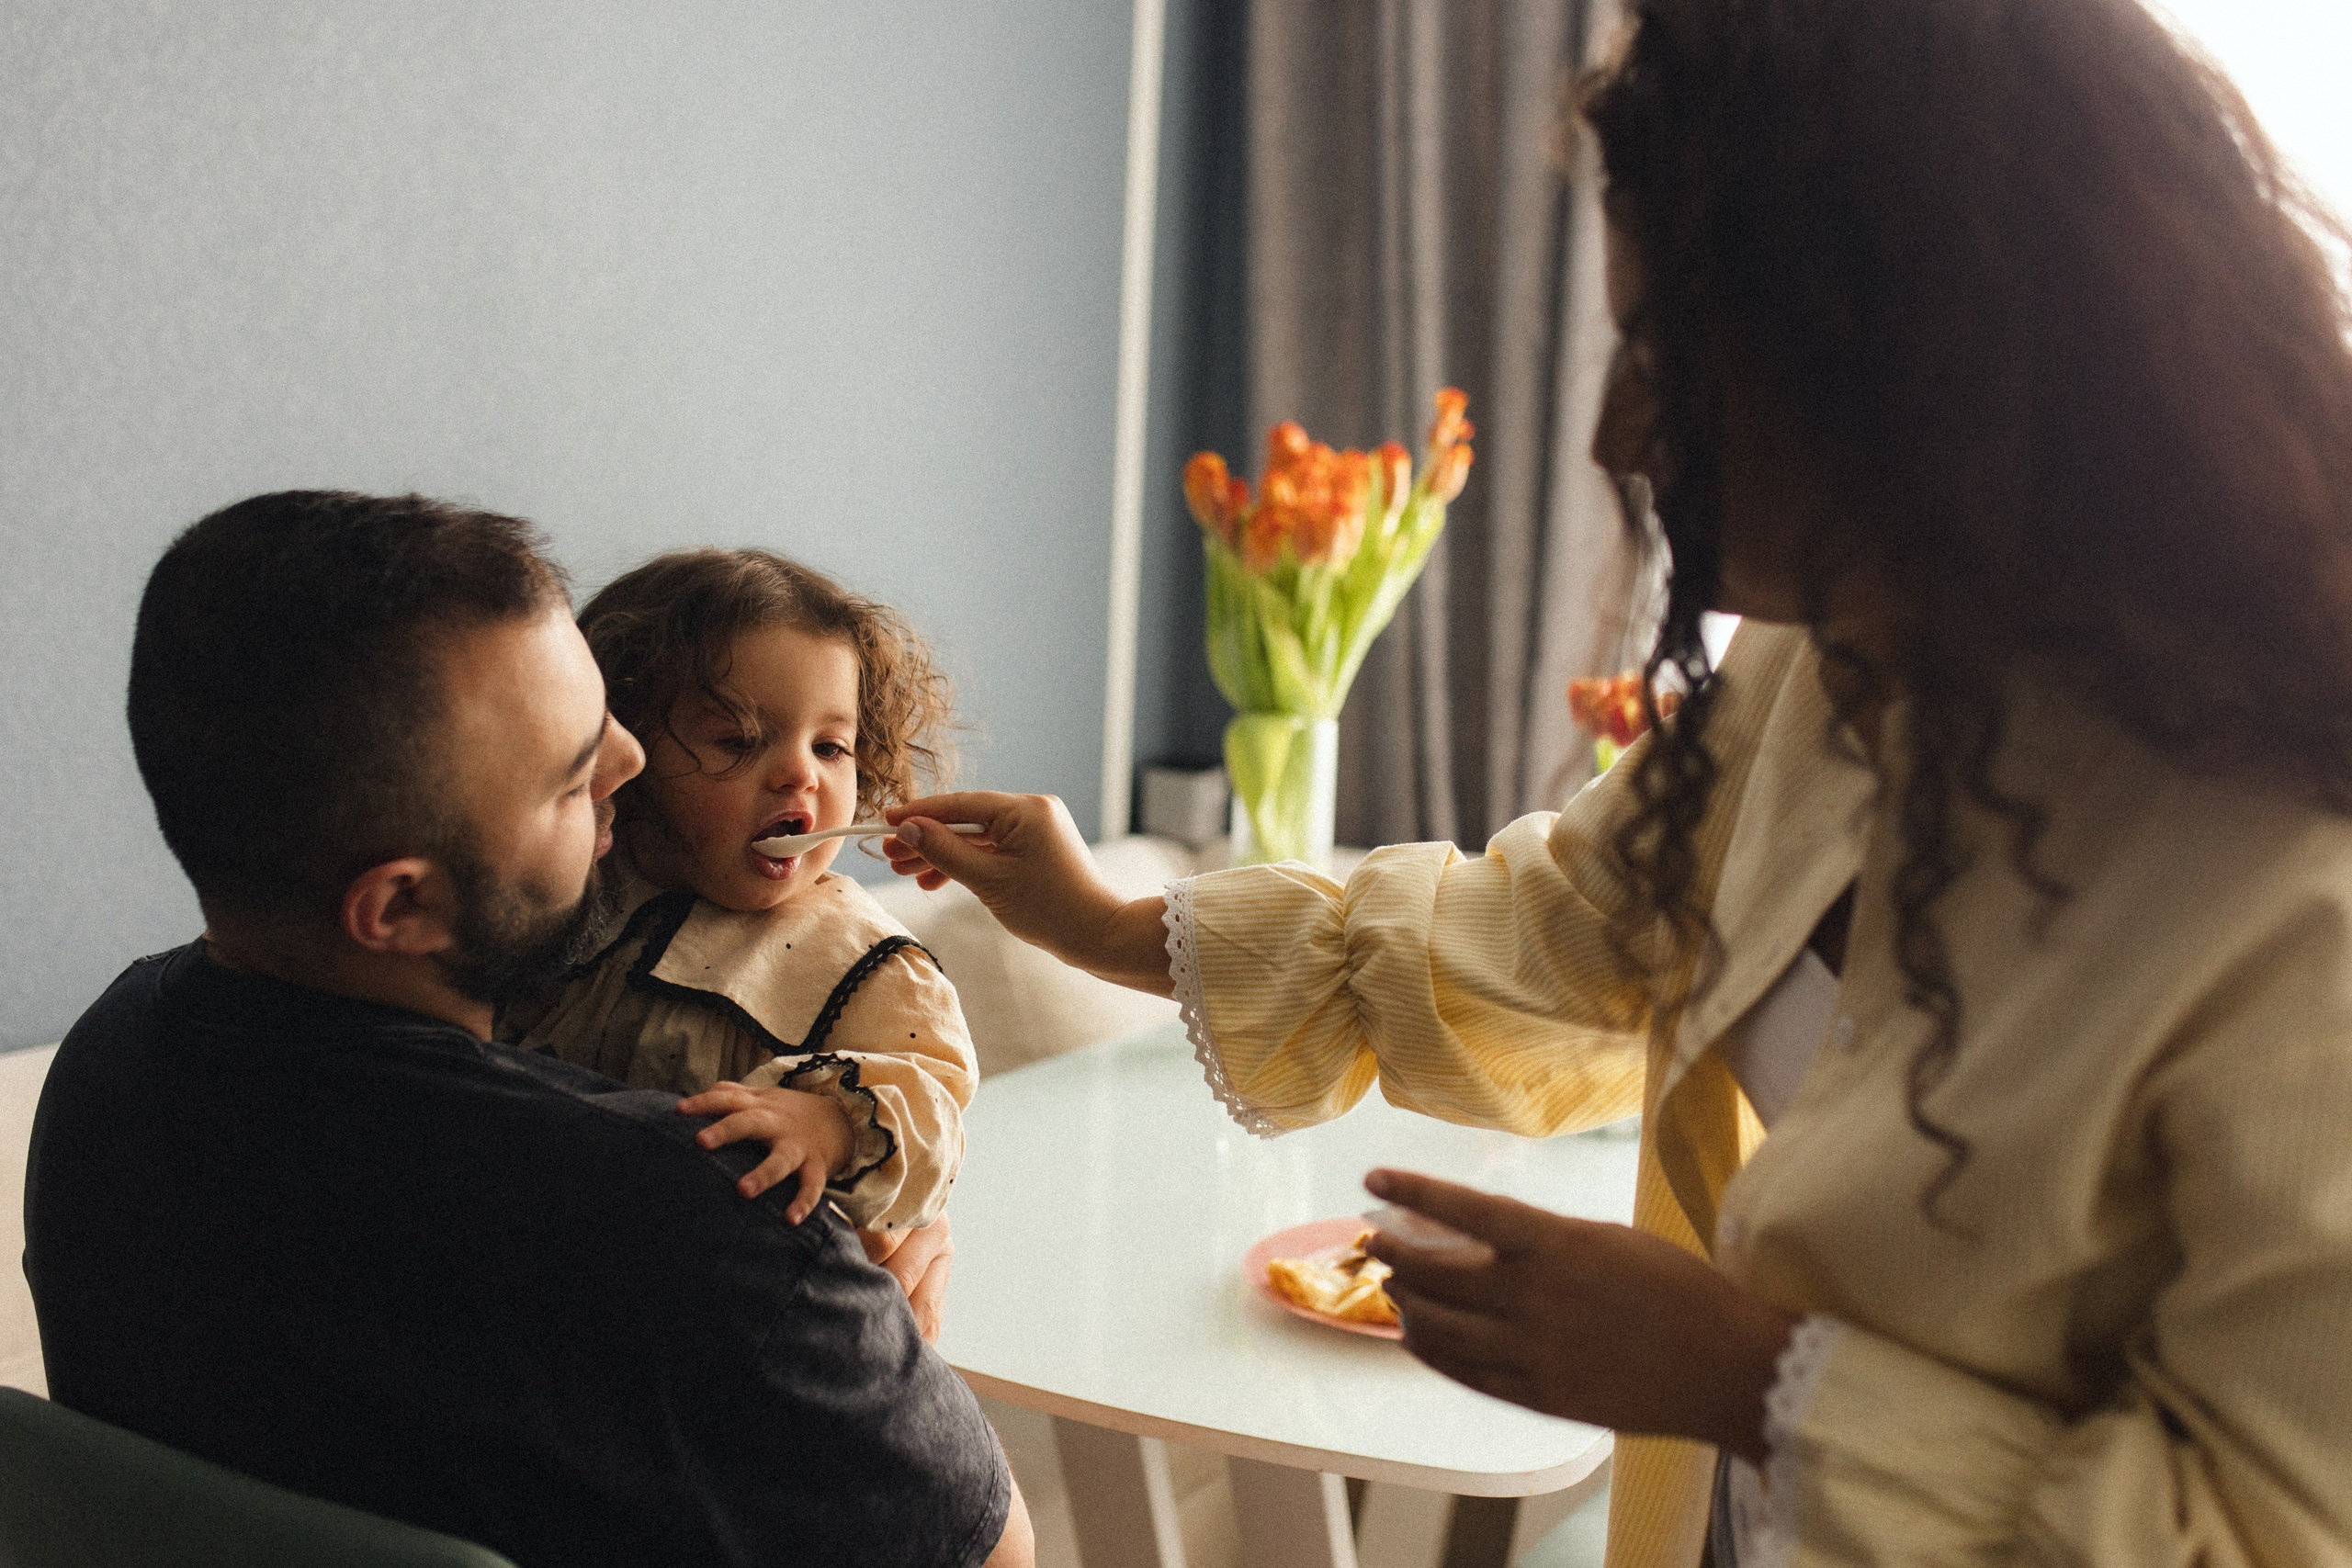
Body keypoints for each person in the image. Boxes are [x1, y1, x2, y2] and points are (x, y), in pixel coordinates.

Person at [879, 0, 2352, 1562]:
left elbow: (2269, 1530)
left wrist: (1749, 1373)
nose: (1611, 427)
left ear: (1921, 357)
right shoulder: (1837, 673)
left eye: (1665, 354)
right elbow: (1557, 927)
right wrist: (1112, 925)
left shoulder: (2289, 892)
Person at [24, 491, 1031, 1568]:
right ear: (400, 906)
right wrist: (873, 1371)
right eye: (569, 778)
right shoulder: (712, 1217)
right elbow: (998, 1555)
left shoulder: (106, 1081)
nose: (631, 768)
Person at [499, 549, 972, 1334]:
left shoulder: (864, 963)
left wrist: (832, 1124)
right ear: (626, 752)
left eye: (831, 746)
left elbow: (935, 1112)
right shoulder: (565, 898)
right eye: (738, 741)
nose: (800, 775)